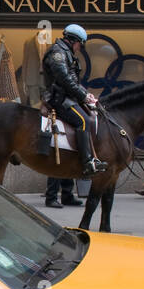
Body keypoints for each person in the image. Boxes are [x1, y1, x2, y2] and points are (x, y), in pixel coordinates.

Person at [42, 24, 107, 177]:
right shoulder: (58, 53)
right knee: (83, 120)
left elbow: (73, 81)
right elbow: (64, 80)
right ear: (73, 41)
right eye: (80, 44)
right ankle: (87, 162)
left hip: (67, 97)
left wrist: (86, 94)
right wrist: (83, 96)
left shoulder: (65, 52)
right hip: (58, 98)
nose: (79, 48)